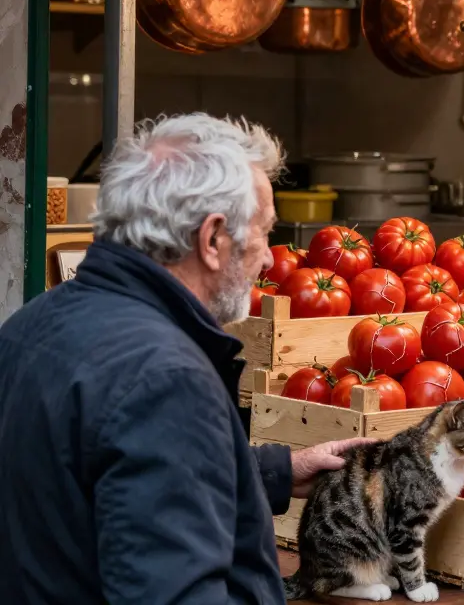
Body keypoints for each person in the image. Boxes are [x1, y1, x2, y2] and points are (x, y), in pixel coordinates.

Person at [0, 114, 370, 603]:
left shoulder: (28, 327)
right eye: (264, 233)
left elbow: (100, 479)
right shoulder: (165, 379)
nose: (268, 260)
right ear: (213, 239)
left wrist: (274, 471)